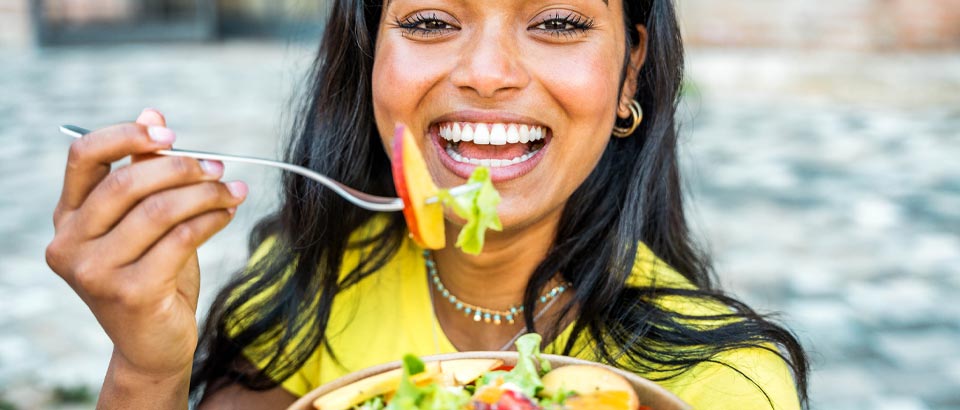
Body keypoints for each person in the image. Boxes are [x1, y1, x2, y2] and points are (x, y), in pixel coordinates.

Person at [45, 0, 809, 409]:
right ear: (371, 52)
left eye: (559, 22)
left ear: (630, 71)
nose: (486, 72)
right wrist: (148, 367)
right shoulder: (309, 282)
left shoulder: (719, 385)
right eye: (432, 21)